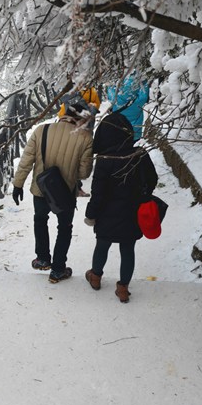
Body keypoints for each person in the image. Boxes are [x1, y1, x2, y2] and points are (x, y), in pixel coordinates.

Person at [12, 100, 94, 283]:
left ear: (64, 114)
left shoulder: (42, 130)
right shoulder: (86, 138)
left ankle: (42, 258)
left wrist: (18, 185)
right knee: (64, 228)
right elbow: (84, 173)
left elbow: (26, 160)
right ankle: (58, 269)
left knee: (40, 220)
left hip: (41, 189)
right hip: (65, 193)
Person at [83, 112, 158, 303]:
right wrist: (142, 195)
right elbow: (152, 179)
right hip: (132, 212)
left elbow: (98, 192)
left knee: (102, 245)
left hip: (106, 214)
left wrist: (91, 214)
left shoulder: (104, 159)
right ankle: (123, 288)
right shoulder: (139, 155)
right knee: (128, 249)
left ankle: (95, 276)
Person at [106, 72, 150, 142]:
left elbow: (110, 92)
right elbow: (144, 96)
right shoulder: (139, 100)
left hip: (118, 130)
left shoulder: (114, 96)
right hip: (135, 132)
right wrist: (144, 81)